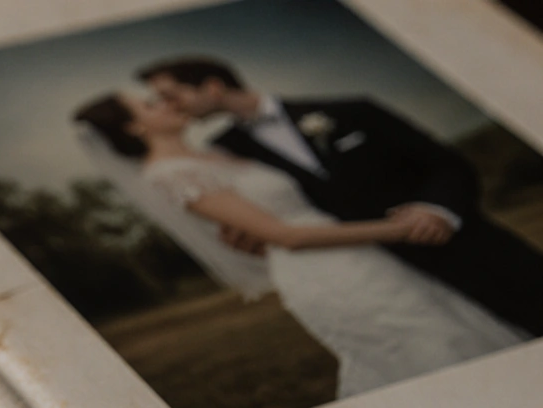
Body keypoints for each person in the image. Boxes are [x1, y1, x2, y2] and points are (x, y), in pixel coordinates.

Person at [73, 93, 527, 397]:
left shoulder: (217, 151)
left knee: (455, 329)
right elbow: (286, 235)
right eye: (150, 104)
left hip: (369, 259)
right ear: (134, 128)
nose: (167, 104)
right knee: (422, 349)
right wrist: (398, 227)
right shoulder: (170, 175)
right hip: (326, 272)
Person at [136, 56, 543, 337]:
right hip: (369, 273)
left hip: (464, 246)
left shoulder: (352, 111)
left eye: (172, 95)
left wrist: (435, 208)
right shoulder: (225, 153)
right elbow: (253, 213)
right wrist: (246, 234)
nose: (169, 106)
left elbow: (448, 164)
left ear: (212, 85)